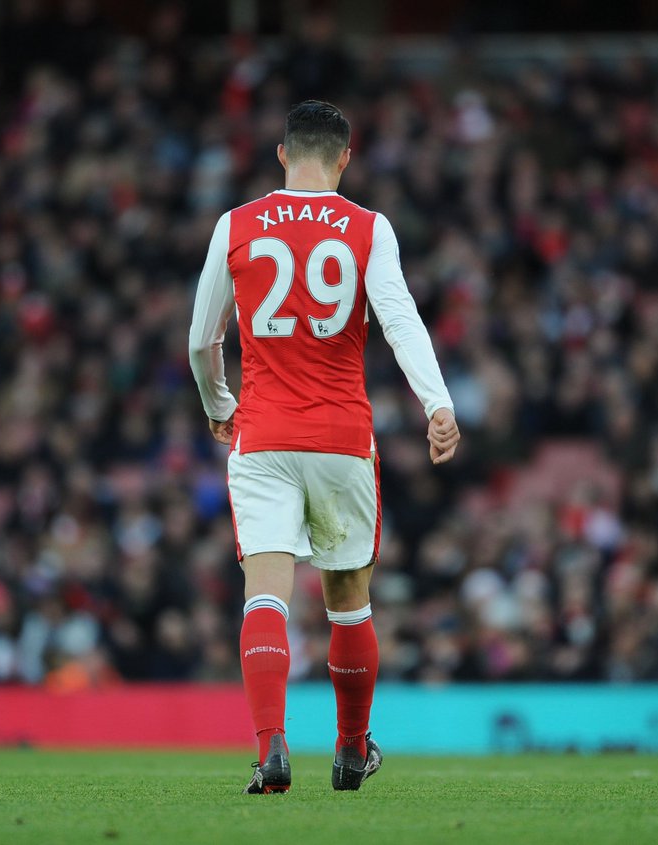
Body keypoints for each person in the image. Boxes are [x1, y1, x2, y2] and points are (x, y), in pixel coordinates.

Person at [189, 100, 460, 794]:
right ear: (345, 157)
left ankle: (270, 749)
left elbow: (201, 340)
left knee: (266, 597)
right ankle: (350, 748)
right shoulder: (369, 227)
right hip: (342, 437)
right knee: (349, 600)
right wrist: (437, 403)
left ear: (282, 154)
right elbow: (400, 320)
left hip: (264, 436)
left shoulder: (237, 224)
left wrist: (220, 405)